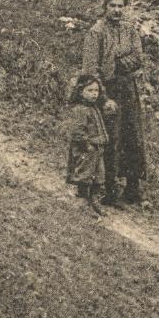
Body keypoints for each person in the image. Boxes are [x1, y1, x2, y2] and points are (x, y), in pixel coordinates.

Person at [82, 0, 148, 206]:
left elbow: (138, 57)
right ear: (105, 7)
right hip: (107, 90)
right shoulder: (96, 32)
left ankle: (132, 188)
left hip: (128, 89)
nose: (117, 10)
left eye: (121, 6)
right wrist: (103, 97)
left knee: (134, 137)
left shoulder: (130, 31)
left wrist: (121, 63)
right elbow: (91, 69)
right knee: (112, 139)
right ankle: (110, 191)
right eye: (113, 6)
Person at [64, 73, 109, 218]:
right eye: (90, 90)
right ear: (80, 91)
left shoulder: (94, 108)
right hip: (86, 149)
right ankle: (83, 201)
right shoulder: (80, 110)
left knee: (98, 175)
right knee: (85, 174)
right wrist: (86, 145)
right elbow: (77, 131)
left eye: (96, 90)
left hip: (97, 149)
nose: (94, 94)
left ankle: (94, 200)